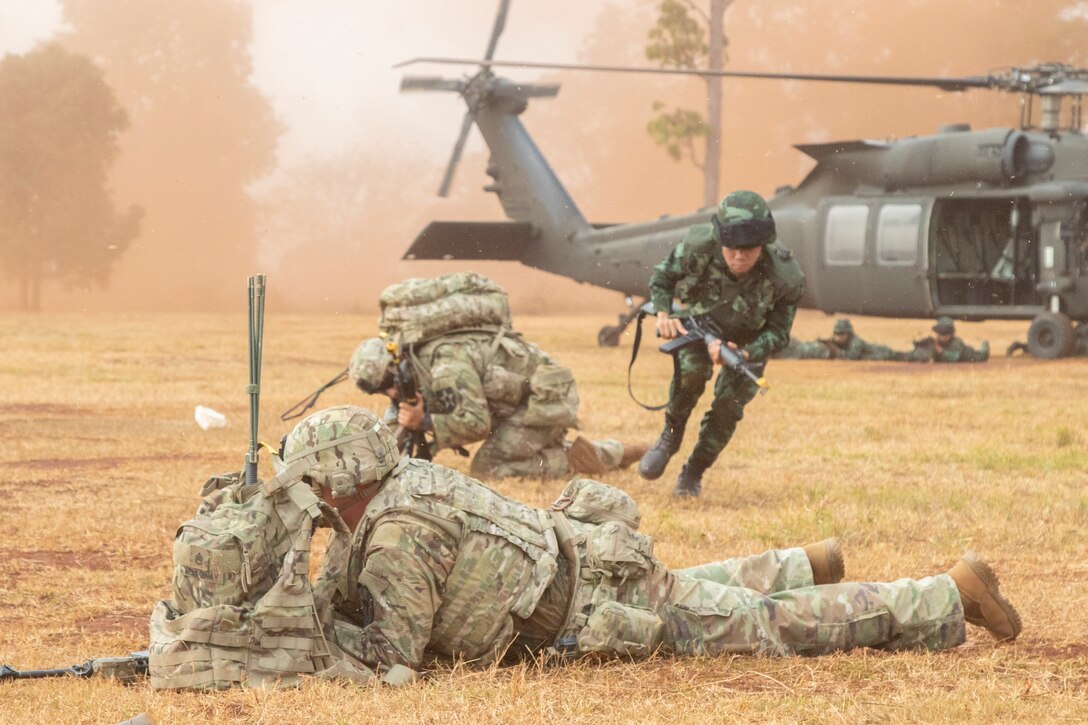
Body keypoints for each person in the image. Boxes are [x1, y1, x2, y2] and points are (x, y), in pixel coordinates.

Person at [282, 406, 1021, 677]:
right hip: (589, 565)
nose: (303, 494)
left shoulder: (398, 535)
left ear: (340, 477)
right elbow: (341, 584)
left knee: (765, 629)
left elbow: (392, 659)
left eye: (308, 481)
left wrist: (291, 650)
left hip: (594, 601)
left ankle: (942, 593)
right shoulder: (397, 486)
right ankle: (802, 562)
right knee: (703, 597)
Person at [639, 190, 805, 497]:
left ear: (763, 245)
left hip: (747, 345)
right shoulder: (697, 248)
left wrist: (745, 352)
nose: (739, 257)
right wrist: (663, 313)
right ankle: (669, 437)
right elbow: (662, 278)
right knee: (691, 376)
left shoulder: (786, 276)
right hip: (698, 328)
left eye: (749, 250)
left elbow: (780, 333)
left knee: (729, 407)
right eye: (732, 250)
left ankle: (693, 473)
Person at [349, 332, 647, 481]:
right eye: (381, 390)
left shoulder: (447, 364)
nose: (390, 392)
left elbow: (476, 423)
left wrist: (424, 423)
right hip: (517, 404)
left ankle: (579, 460)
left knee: (488, 467)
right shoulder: (410, 372)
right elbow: (394, 426)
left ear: (397, 362)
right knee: (508, 450)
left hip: (545, 398)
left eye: (388, 382)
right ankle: (617, 452)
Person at [775, 318, 905, 361]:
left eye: (842, 334)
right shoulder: (842, 342)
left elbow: (849, 358)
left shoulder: (856, 343)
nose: (839, 337)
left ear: (849, 334)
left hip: (883, 353)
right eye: (836, 334)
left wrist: (832, 347)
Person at [906, 316, 990, 363]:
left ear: (951, 334)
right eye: (940, 334)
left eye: (945, 334)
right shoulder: (936, 342)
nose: (942, 337)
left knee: (982, 354)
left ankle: (984, 344)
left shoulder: (956, 343)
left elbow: (954, 358)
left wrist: (941, 351)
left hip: (973, 356)